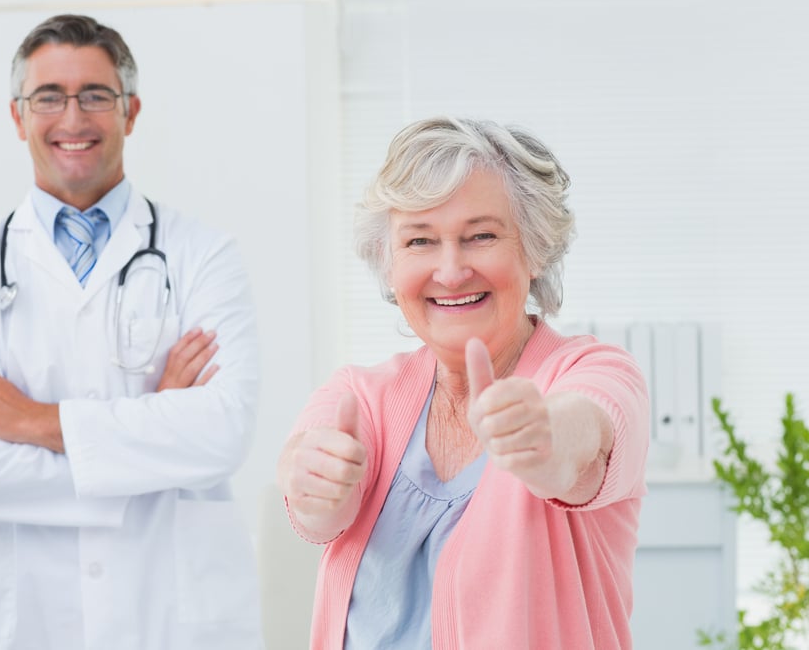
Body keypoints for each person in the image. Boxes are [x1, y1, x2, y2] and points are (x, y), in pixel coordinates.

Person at [0, 14, 262, 650]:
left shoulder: (204, 256)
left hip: (168, 613)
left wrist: (27, 419)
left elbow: (221, 434)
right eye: (48, 97)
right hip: (22, 618)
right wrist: (154, 428)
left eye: (95, 96)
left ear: (130, 112)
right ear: (18, 117)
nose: (72, 119)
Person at [277, 116, 650, 649]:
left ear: (536, 248)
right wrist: (310, 481)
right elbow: (312, 493)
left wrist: (543, 437)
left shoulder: (594, 373)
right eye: (420, 241)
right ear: (388, 263)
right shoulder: (361, 395)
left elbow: (585, 442)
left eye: (480, 236)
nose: (450, 271)